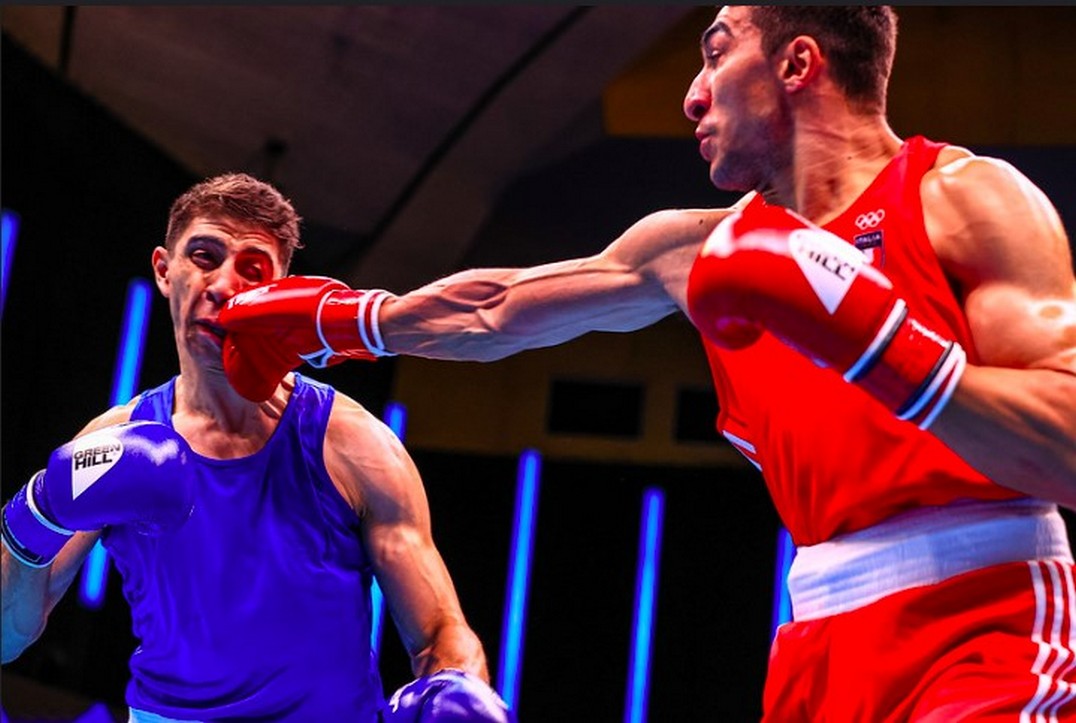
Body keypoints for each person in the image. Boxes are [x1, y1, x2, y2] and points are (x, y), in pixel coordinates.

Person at [218, 6, 1076, 720]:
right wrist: (336, 323)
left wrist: (873, 339)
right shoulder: (698, 248)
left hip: (987, 614)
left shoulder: (964, 199)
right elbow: (497, 307)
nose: (692, 95)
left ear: (798, 62)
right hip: (818, 640)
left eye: (717, 51)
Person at [0, 173, 516, 723]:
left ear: (280, 291)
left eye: (253, 269)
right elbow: (8, 639)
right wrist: (33, 517)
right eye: (204, 255)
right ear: (163, 270)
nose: (225, 285)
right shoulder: (111, 443)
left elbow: (440, 632)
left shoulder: (352, 443)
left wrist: (459, 688)